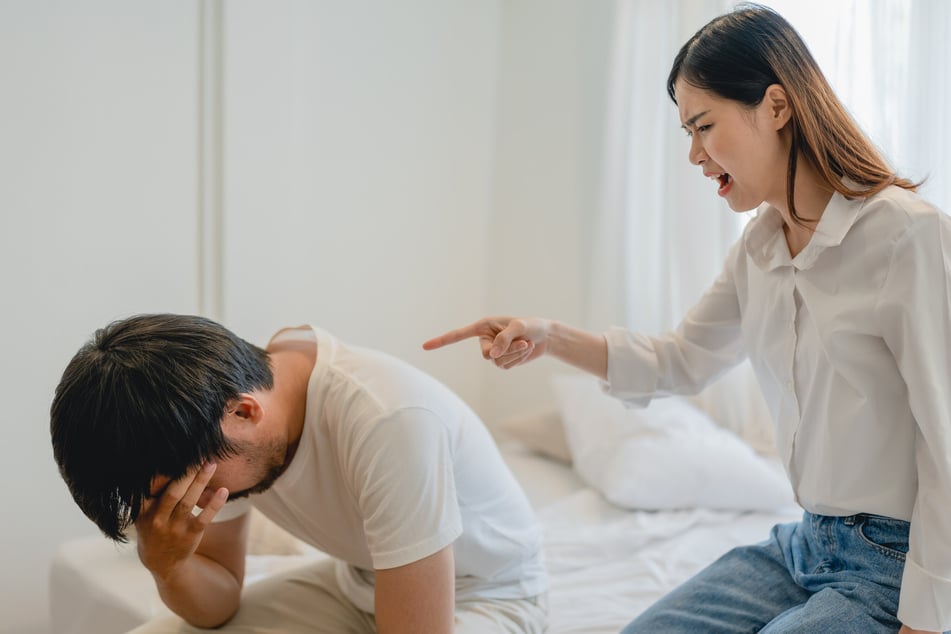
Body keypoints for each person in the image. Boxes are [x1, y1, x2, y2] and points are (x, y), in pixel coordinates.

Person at [423, 4, 950, 634]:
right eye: (686, 133)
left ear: (776, 107)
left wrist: (928, 615)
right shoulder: (759, 250)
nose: (695, 155)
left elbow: (946, 440)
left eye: (703, 126)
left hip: (896, 561)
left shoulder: (906, 237)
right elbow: (678, 361)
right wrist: (549, 336)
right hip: (805, 544)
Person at [51, 314, 548, 633]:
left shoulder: (389, 422)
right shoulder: (215, 412)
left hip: (488, 598)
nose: (183, 503)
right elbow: (219, 602)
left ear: (245, 414)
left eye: (175, 492)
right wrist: (167, 565)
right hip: (362, 582)